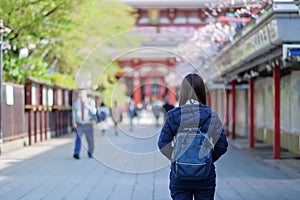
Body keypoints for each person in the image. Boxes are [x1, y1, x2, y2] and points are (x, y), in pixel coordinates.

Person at [158, 73, 228, 200]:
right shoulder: (211, 116)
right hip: (205, 175)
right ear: (202, 91)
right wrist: (207, 159)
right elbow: (222, 145)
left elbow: (163, 144)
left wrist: (177, 158)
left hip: (180, 175)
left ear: (182, 91)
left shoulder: (173, 115)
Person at [72, 89, 97, 159]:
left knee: (90, 140)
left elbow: (94, 112)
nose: (79, 95)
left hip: (88, 123)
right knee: (78, 138)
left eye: (80, 93)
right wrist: (73, 121)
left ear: (84, 94)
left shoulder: (90, 101)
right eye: (78, 94)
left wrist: (87, 106)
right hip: (79, 124)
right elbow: (73, 112)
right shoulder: (76, 102)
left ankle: (90, 152)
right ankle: (76, 153)